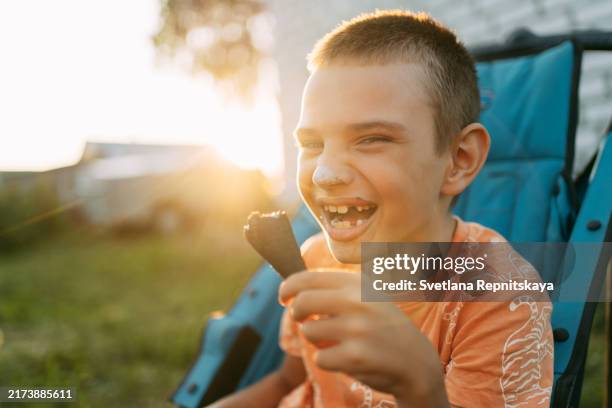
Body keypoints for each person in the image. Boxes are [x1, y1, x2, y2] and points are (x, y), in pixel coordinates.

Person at [211, 9, 553, 408]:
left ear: (459, 159)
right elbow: (291, 379)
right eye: (312, 144)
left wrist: (422, 387)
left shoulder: (500, 301)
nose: (324, 174)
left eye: (371, 139)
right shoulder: (316, 258)